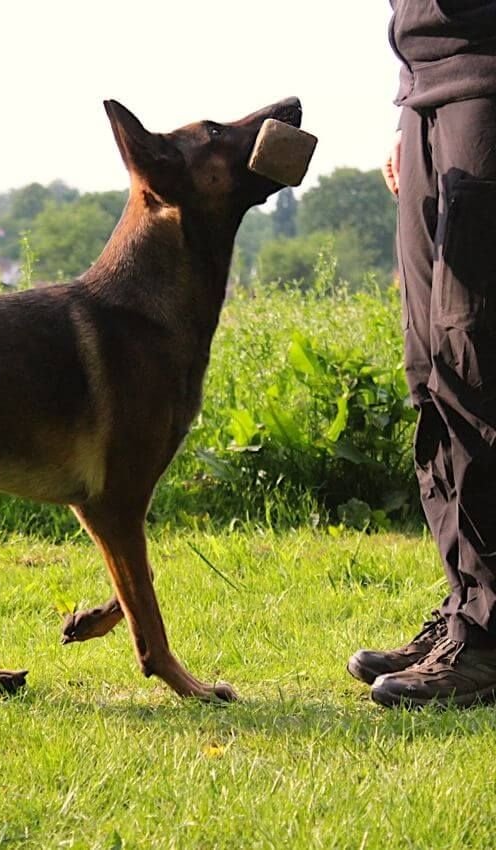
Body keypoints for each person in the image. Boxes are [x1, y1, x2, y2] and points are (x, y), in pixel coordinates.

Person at [347, 0, 496, 707]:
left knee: (478, 365)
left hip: (487, 88)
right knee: (432, 368)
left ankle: (489, 637)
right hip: (428, 91)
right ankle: (466, 606)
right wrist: (409, 112)